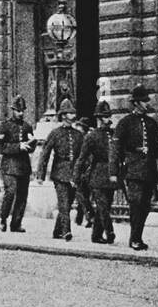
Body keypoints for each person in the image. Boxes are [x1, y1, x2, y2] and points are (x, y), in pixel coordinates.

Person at [111, 86, 158, 252]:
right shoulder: (125, 123)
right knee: (136, 203)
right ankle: (134, 238)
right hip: (133, 168)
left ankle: (138, 236)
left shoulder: (151, 123)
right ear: (135, 103)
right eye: (143, 101)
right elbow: (116, 148)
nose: (146, 104)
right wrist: (114, 171)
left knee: (146, 206)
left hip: (149, 170)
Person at [37, 100, 86, 242]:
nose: (73, 115)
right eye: (70, 113)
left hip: (74, 174)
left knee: (68, 203)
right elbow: (45, 154)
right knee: (63, 204)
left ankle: (57, 230)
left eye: (73, 113)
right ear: (63, 115)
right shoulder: (55, 133)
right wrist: (40, 174)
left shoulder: (78, 135)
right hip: (59, 173)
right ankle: (66, 231)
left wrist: (82, 172)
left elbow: (83, 156)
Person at [77, 101, 117, 244]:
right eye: (105, 117)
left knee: (106, 205)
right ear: (99, 119)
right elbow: (82, 158)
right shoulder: (91, 136)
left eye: (109, 116)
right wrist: (76, 176)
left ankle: (96, 235)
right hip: (97, 175)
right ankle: (109, 231)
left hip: (111, 175)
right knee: (102, 206)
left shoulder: (114, 134)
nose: (109, 120)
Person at [0, 95, 36, 232]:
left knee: (22, 195)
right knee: (10, 192)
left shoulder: (27, 127)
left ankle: (16, 224)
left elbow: (32, 147)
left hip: (24, 166)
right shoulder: (4, 126)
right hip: (9, 166)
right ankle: (3, 218)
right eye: (18, 110)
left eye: (22, 110)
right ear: (12, 110)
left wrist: (31, 144)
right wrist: (18, 147)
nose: (21, 113)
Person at [73, 116, 94, 229]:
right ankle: (79, 218)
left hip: (84, 171)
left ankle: (90, 217)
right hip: (83, 170)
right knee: (83, 195)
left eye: (80, 128)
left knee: (81, 195)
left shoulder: (85, 140)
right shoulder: (82, 138)